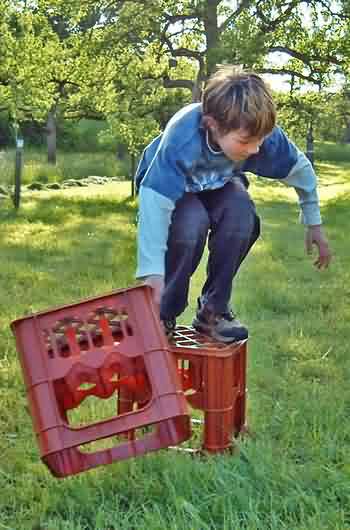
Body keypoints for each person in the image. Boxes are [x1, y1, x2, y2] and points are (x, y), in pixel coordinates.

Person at [134, 67, 332, 342]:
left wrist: (314, 224)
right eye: (246, 142)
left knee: (241, 214)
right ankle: (162, 312)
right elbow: (155, 201)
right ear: (211, 125)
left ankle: (212, 313)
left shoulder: (259, 134)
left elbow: (301, 170)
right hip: (171, 189)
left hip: (218, 183)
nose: (255, 150)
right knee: (191, 224)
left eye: (260, 140)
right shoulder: (183, 138)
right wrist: (152, 271)